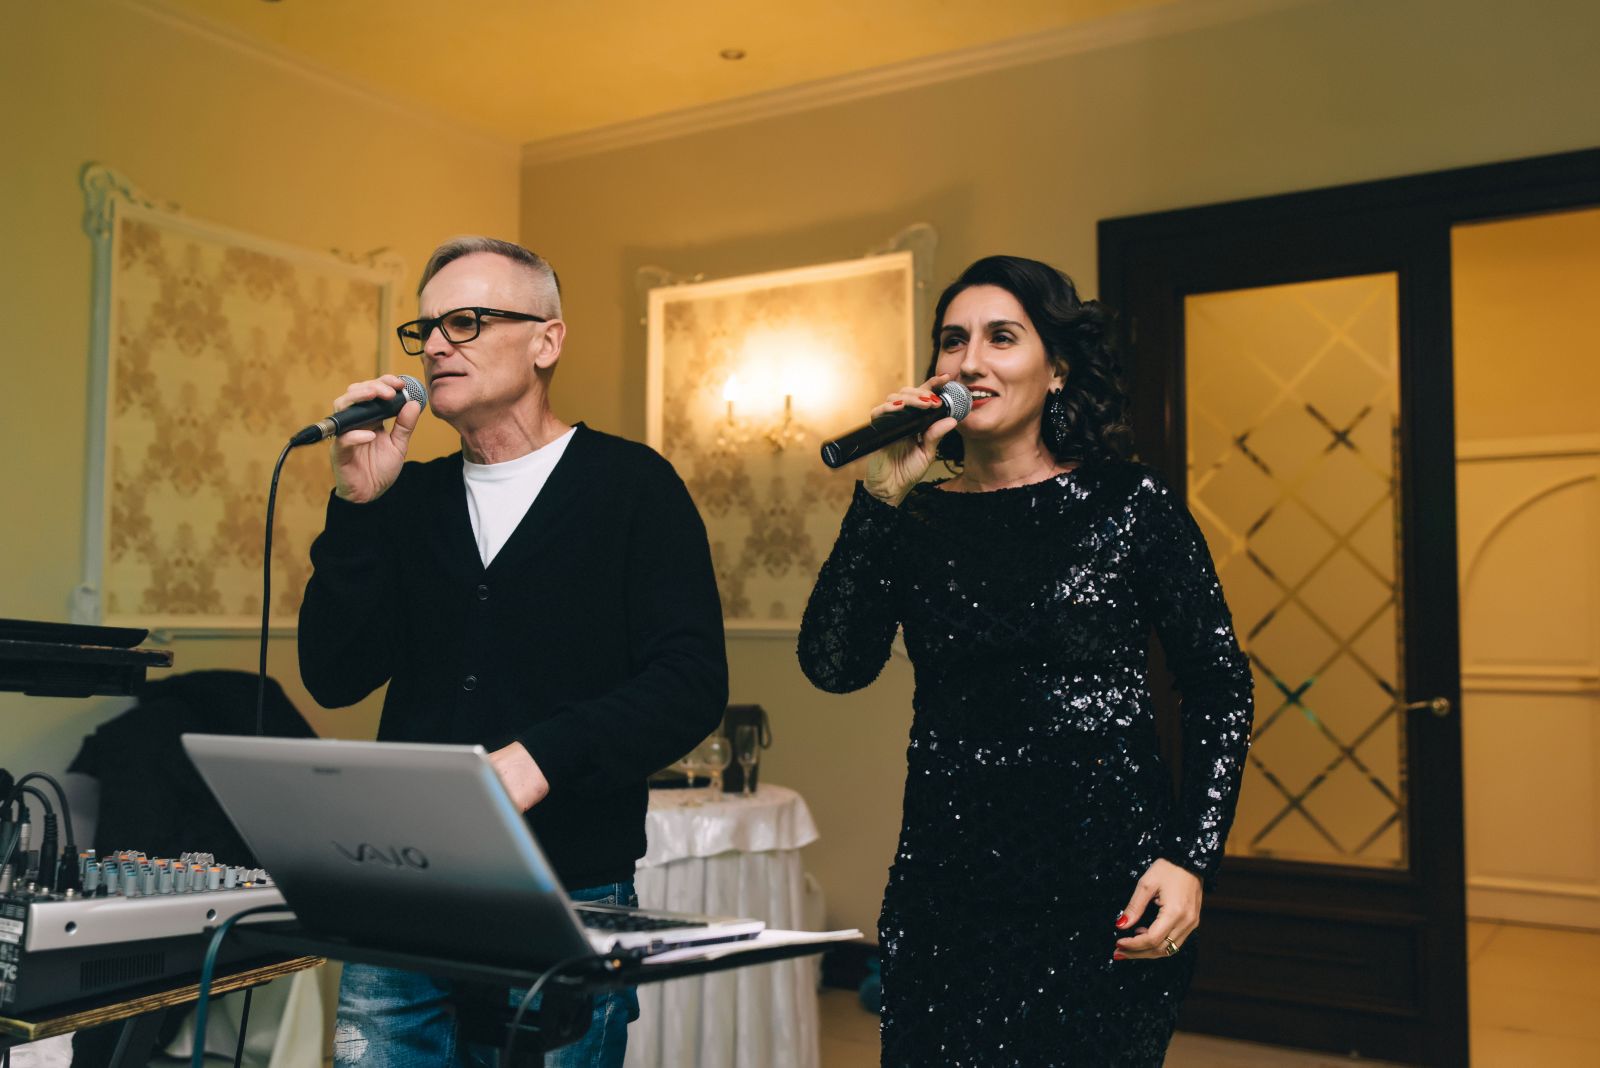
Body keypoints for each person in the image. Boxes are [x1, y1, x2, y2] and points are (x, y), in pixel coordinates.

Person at [797, 255, 1252, 1065]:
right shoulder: (915, 520)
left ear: (1057, 369)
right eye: (953, 341)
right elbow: (836, 665)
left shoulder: (1129, 505)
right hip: (946, 893)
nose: (970, 361)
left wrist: (1191, 858)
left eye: (1001, 338)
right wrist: (879, 498)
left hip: (1104, 890)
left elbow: (1219, 686)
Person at [298, 236, 728, 1067]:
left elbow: (689, 682)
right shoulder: (408, 498)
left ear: (546, 341)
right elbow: (334, 674)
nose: (436, 345)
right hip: (405, 880)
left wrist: (542, 758)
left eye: (465, 321)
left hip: (568, 883)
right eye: (425, 328)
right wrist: (357, 507)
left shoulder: (633, 487)